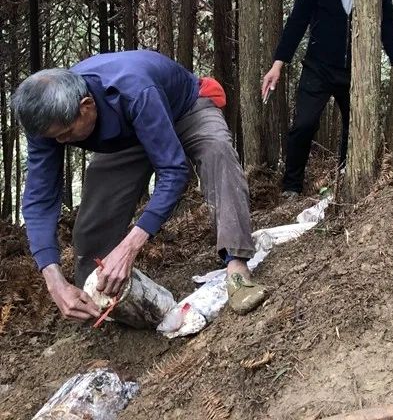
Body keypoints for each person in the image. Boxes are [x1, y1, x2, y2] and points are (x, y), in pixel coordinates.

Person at [13, 50, 267, 323]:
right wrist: (54, 281)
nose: (62, 143)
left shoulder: (134, 88)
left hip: (185, 110)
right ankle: (102, 299)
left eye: (66, 134)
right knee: (92, 223)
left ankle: (237, 266)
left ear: (86, 106)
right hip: (127, 138)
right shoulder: (46, 120)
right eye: (55, 138)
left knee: (218, 154)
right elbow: (39, 201)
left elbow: (172, 171)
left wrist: (129, 248)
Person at [262, 0, 393, 198]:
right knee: (303, 124)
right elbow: (298, 19)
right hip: (319, 66)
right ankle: (291, 186)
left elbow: (387, 21)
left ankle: (344, 180)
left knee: (355, 127)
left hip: (358, 69)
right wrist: (278, 64)